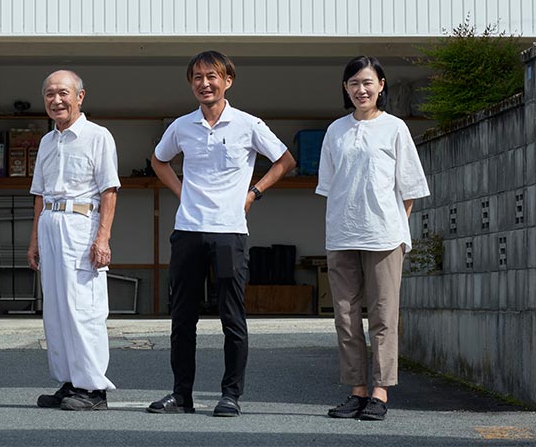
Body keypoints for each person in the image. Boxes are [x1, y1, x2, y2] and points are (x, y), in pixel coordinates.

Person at [147, 50, 296, 417]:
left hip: (229, 232)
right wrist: (182, 191)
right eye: (197, 77)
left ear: (227, 80)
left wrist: (253, 193)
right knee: (182, 318)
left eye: (212, 76)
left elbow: (285, 160)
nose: (204, 83)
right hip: (187, 231)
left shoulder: (247, 124)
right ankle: (182, 396)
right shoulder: (182, 126)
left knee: (232, 316)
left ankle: (231, 394)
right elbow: (158, 160)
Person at [318, 56, 429, 422]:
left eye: (367, 82)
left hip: (384, 236)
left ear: (382, 85)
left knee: (383, 315)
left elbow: (408, 188)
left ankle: (380, 392)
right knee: (346, 318)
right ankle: (356, 391)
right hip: (342, 234)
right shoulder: (335, 131)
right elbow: (330, 187)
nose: (360, 89)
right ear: (345, 89)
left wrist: (396, 228)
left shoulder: (395, 128)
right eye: (353, 83)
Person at [27, 69, 120, 412]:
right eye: (50, 94)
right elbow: (38, 194)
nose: (56, 100)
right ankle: (69, 381)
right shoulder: (47, 141)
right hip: (50, 220)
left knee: (84, 307)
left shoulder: (98, 136)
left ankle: (93, 388)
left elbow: (109, 191)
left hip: (82, 222)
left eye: (63, 93)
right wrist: (33, 240)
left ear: (80, 96)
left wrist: (103, 238)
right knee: (56, 308)